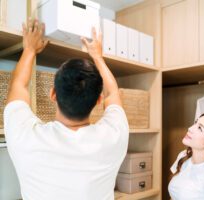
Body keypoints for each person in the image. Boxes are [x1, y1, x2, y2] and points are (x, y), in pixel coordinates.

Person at [4, 18, 129, 200]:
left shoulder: (26, 138)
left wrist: (30, 49)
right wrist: (98, 57)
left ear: (53, 94)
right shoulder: (113, 137)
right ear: (98, 101)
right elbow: (113, 93)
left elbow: (17, 86)